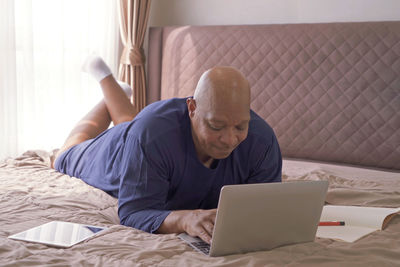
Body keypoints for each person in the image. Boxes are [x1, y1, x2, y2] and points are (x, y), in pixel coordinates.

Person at [53, 55, 282, 244]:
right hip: (118, 150)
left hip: (143, 133)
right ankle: (104, 79)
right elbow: (134, 213)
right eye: (216, 126)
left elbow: (265, 209)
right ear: (192, 108)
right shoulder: (150, 135)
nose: (230, 139)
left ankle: (117, 90)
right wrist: (184, 219)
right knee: (64, 154)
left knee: (130, 123)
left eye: (240, 126)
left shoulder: (263, 141)